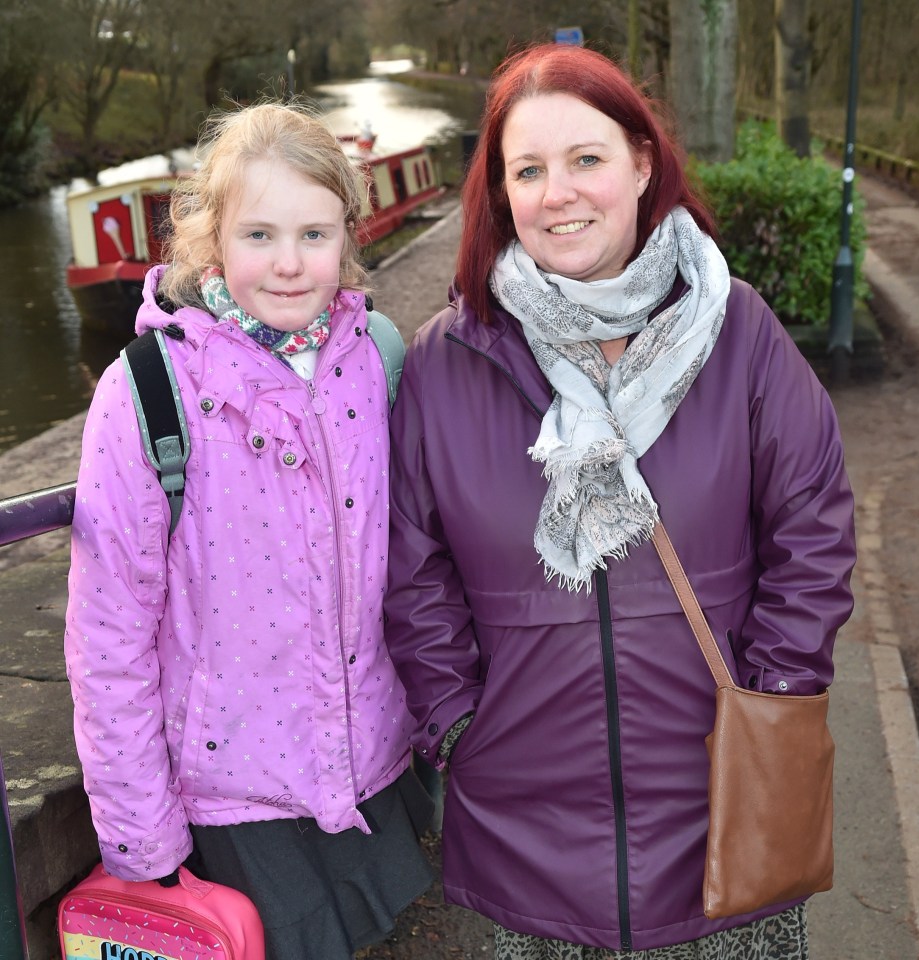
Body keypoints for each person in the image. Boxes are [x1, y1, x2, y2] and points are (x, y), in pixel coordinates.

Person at [383, 44, 856, 959]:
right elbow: (411, 568)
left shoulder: (739, 330)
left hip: (724, 824)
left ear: (643, 162)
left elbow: (814, 525)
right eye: (528, 170)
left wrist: (778, 694)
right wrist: (457, 727)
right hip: (526, 844)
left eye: (586, 159)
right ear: (501, 192)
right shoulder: (448, 360)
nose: (557, 193)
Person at [64, 101, 434, 960]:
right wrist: (144, 842)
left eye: (315, 233)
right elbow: (108, 634)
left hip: (370, 770)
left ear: (349, 230)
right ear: (210, 236)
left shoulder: (375, 353)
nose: (290, 263)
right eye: (260, 234)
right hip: (232, 802)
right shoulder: (149, 390)